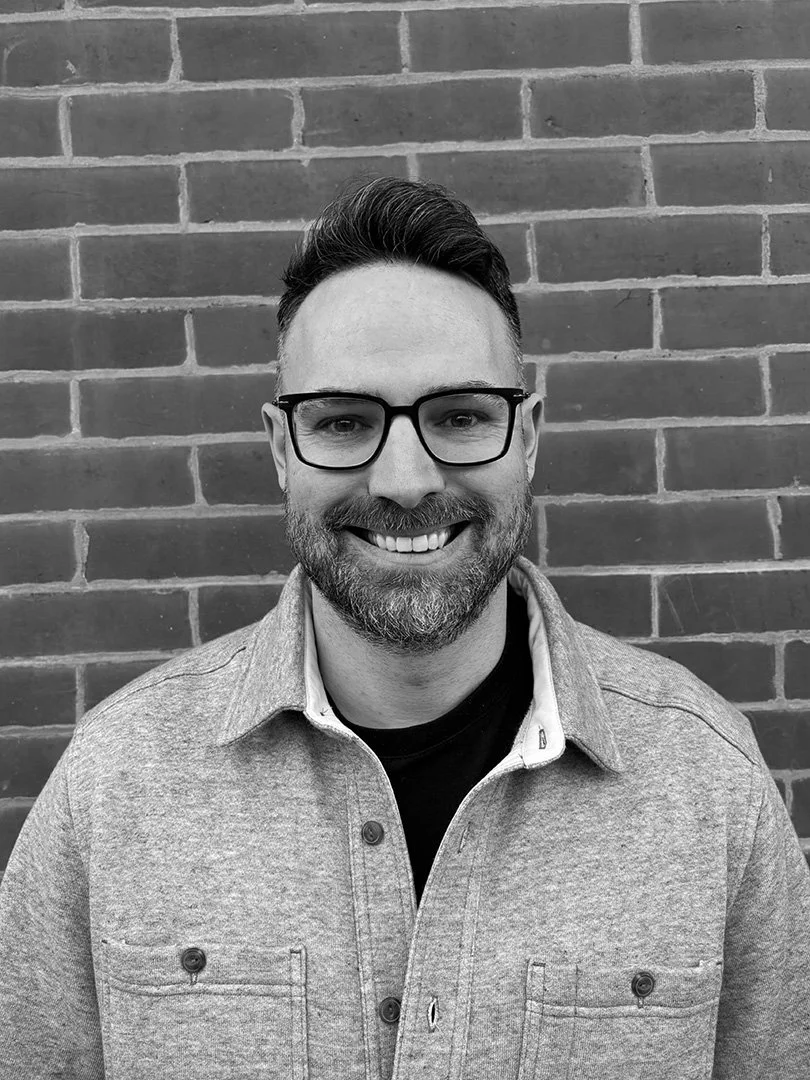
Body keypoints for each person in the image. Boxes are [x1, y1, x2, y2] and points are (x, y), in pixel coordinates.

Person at [1, 177, 808, 1079]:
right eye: (344, 421)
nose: (405, 479)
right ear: (280, 449)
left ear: (528, 437)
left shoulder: (706, 782)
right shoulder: (118, 781)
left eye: (459, 416)